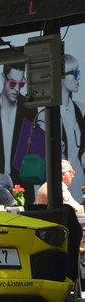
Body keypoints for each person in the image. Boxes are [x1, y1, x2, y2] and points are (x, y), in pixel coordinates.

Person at [0, 62, 37, 199]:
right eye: (12, 83)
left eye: (21, 84)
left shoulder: (29, 109)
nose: (17, 89)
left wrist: (12, 180)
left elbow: (30, 154)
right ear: (3, 78)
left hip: (22, 188)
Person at [59, 54, 85, 200]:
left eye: (79, 73)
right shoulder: (46, 117)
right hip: (64, 191)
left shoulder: (82, 111)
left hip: (81, 186)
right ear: (62, 78)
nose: (78, 78)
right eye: (75, 73)